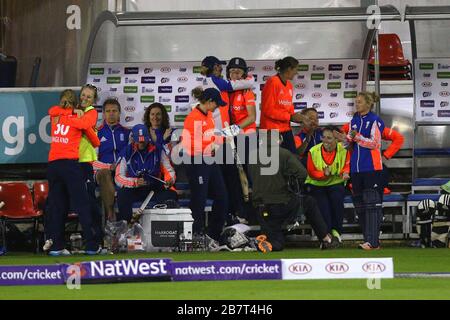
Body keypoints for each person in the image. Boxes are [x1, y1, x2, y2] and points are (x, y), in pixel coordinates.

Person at [249, 131, 339, 252]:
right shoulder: (285, 154)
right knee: (309, 202)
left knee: (276, 243)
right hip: (282, 204)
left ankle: (260, 242)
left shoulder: (252, 156)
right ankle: (326, 238)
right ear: (279, 140)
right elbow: (303, 174)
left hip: (261, 207)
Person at [46, 91, 100, 256]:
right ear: (76, 103)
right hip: (70, 165)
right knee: (83, 205)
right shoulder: (78, 119)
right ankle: (91, 246)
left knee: (57, 206)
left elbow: (52, 110)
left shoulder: (55, 116)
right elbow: (96, 141)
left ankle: (57, 247)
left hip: (53, 166)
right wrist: (79, 116)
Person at [334, 92, 385, 250]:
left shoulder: (375, 120)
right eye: (356, 102)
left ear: (368, 104)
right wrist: (342, 139)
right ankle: (367, 239)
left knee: (372, 205)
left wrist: (357, 137)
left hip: (371, 168)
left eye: (360, 102)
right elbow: (349, 143)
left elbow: (375, 144)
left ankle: (373, 241)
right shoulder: (354, 120)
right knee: (360, 206)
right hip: (356, 170)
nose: (357, 105)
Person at [181, 87, 228, 245]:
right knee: (198, 198)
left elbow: (214, 135)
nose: (217, 107)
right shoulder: (193, 117)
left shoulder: (208, 115)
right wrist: (211, 146)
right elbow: (189, 144)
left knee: (222, 196)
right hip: (196, 161)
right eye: (216, 104)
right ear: (209, 101)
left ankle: (214, 233)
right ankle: (196, 234)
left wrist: (220, 140)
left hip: (209, 160)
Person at [115, 124, 177, 222]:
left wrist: (170, 180)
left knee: (171, 195)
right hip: (135, 188)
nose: (142, 143)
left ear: (148, 138)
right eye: (139, 141)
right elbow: (118, 178)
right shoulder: (126, 152)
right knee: (122, 194)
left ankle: (163, 228)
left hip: (154, 187)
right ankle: (127, 227)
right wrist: (134, 182)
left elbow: (169, 170)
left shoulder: (158, 150)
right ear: (133, 139)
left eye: (144, 140)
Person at [225, 57, 257, 223]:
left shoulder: (247, 91)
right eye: (231, 71)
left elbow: (252, 117)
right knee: (235, 177)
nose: (234, 74)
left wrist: (233, 129)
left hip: (246, 137)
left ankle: (256, 213)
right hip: (232, 138)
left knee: (250, 176)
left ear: (244, 73)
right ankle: (239, 213)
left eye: (238, 71)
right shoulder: (227, 91)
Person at [305, 126, 350, 242]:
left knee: (337, 201)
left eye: (329, 138)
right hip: (317, 185)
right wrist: (324, 174)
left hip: (336, 184)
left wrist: (345, 172)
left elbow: (346, 166)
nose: (325, 141)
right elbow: (311, 172)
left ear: (337, 140)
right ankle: (327, 235)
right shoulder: (313, 151)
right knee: (323, 207)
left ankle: (337, 231)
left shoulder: (344, 150)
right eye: (323, 137)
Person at [260, 56, 311, 154]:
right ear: (289, 69)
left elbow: (289, 110)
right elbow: (267, 110)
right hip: (271, 131)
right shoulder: (272, 82)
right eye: (296, 69)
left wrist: (300, 118)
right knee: (271, 168)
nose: (297, 72)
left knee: (292, 162)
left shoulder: (289, 85)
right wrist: (290, 116)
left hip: (286, 130)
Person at [93, 98, 130, 221]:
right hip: (102, 172)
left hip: (121, 170)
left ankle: (127, 221)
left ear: (119, 113)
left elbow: (131, 156)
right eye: (108, 111)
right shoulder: (96, 133)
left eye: (114, 110)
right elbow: (92, 160)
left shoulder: (127, 133)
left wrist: (119, 166)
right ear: (103, 114)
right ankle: (111, 213)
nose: (111, 113)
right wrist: (108, 166)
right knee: (105, 173)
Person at [340, 123, 404, 194]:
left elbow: (398, 138)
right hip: (354, 168)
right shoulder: (348, 127)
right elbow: (341, 143)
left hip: (372, 168)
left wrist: (386, 155)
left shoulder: (375, 126)